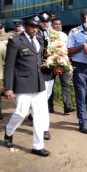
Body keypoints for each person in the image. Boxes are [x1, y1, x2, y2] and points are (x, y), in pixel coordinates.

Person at [3, 14, 51, 157]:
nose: (34, 29)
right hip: (23, 84)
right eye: (32, 26)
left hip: (39, 83)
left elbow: (40, 60)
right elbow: (9, 67)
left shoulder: (40, 40)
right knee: (21, 113)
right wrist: (8, 87)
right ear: (25, 26)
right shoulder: (16, 41)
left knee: (39, 114)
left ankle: (37, 146)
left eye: (36, 26)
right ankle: (9, 131)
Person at [67, 9, 87, 134]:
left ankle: (82, 110)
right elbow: (68, 50)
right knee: (80, 95)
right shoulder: (74, 32)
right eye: (86, 19)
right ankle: (83, 123)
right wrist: (82, 46)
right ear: (81, 19)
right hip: (78, 67)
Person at [27, 11, 55, 140]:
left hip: (49, 71)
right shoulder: (33, 36)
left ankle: (33, 115)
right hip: (38, 71)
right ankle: (44, 128)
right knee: (42, 102)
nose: (45, 24)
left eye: (47, 21)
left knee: (47, 95)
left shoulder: (52, 33)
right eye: (43, 22)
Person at [49, 17, 73, 114]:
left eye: (59, 24)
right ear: (52, 25)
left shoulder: (64, 36)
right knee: (51, 85)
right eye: (56, 24)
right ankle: (50, 106)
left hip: (63, 62)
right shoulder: (49, 36)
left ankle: (67, 106)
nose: (58, 26)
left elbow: (68, 48)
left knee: (65, 84)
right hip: (52, 63)